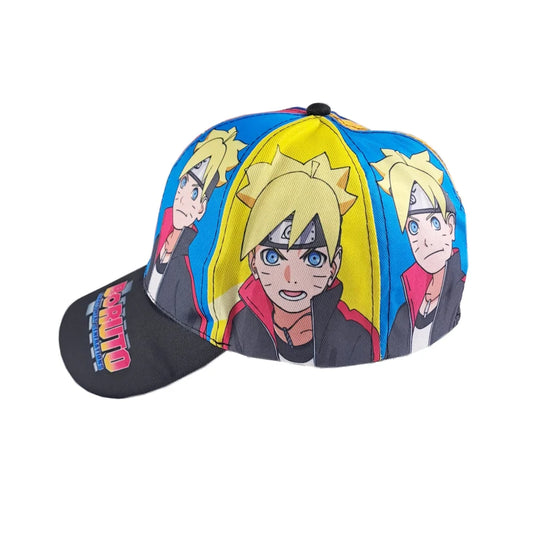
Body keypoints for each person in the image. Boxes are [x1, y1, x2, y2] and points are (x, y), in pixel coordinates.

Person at [223, 148, 378, 366]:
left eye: (313, 259)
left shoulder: (356, 336)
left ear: (334, 266)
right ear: (253, 261)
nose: (291, 277)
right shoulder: (239, 320)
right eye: (272, 257)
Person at [145, 127, 246, 333]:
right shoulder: (163, 243)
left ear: (201, 208)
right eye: (184, 182)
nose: (182, 198)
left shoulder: (185, 275)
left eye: (194, 193)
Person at [371, 149, 465, 357]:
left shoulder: (454, 287)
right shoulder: (403, 308)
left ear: (450, 226)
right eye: (413, 228)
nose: (426, 241)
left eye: (434, 222)